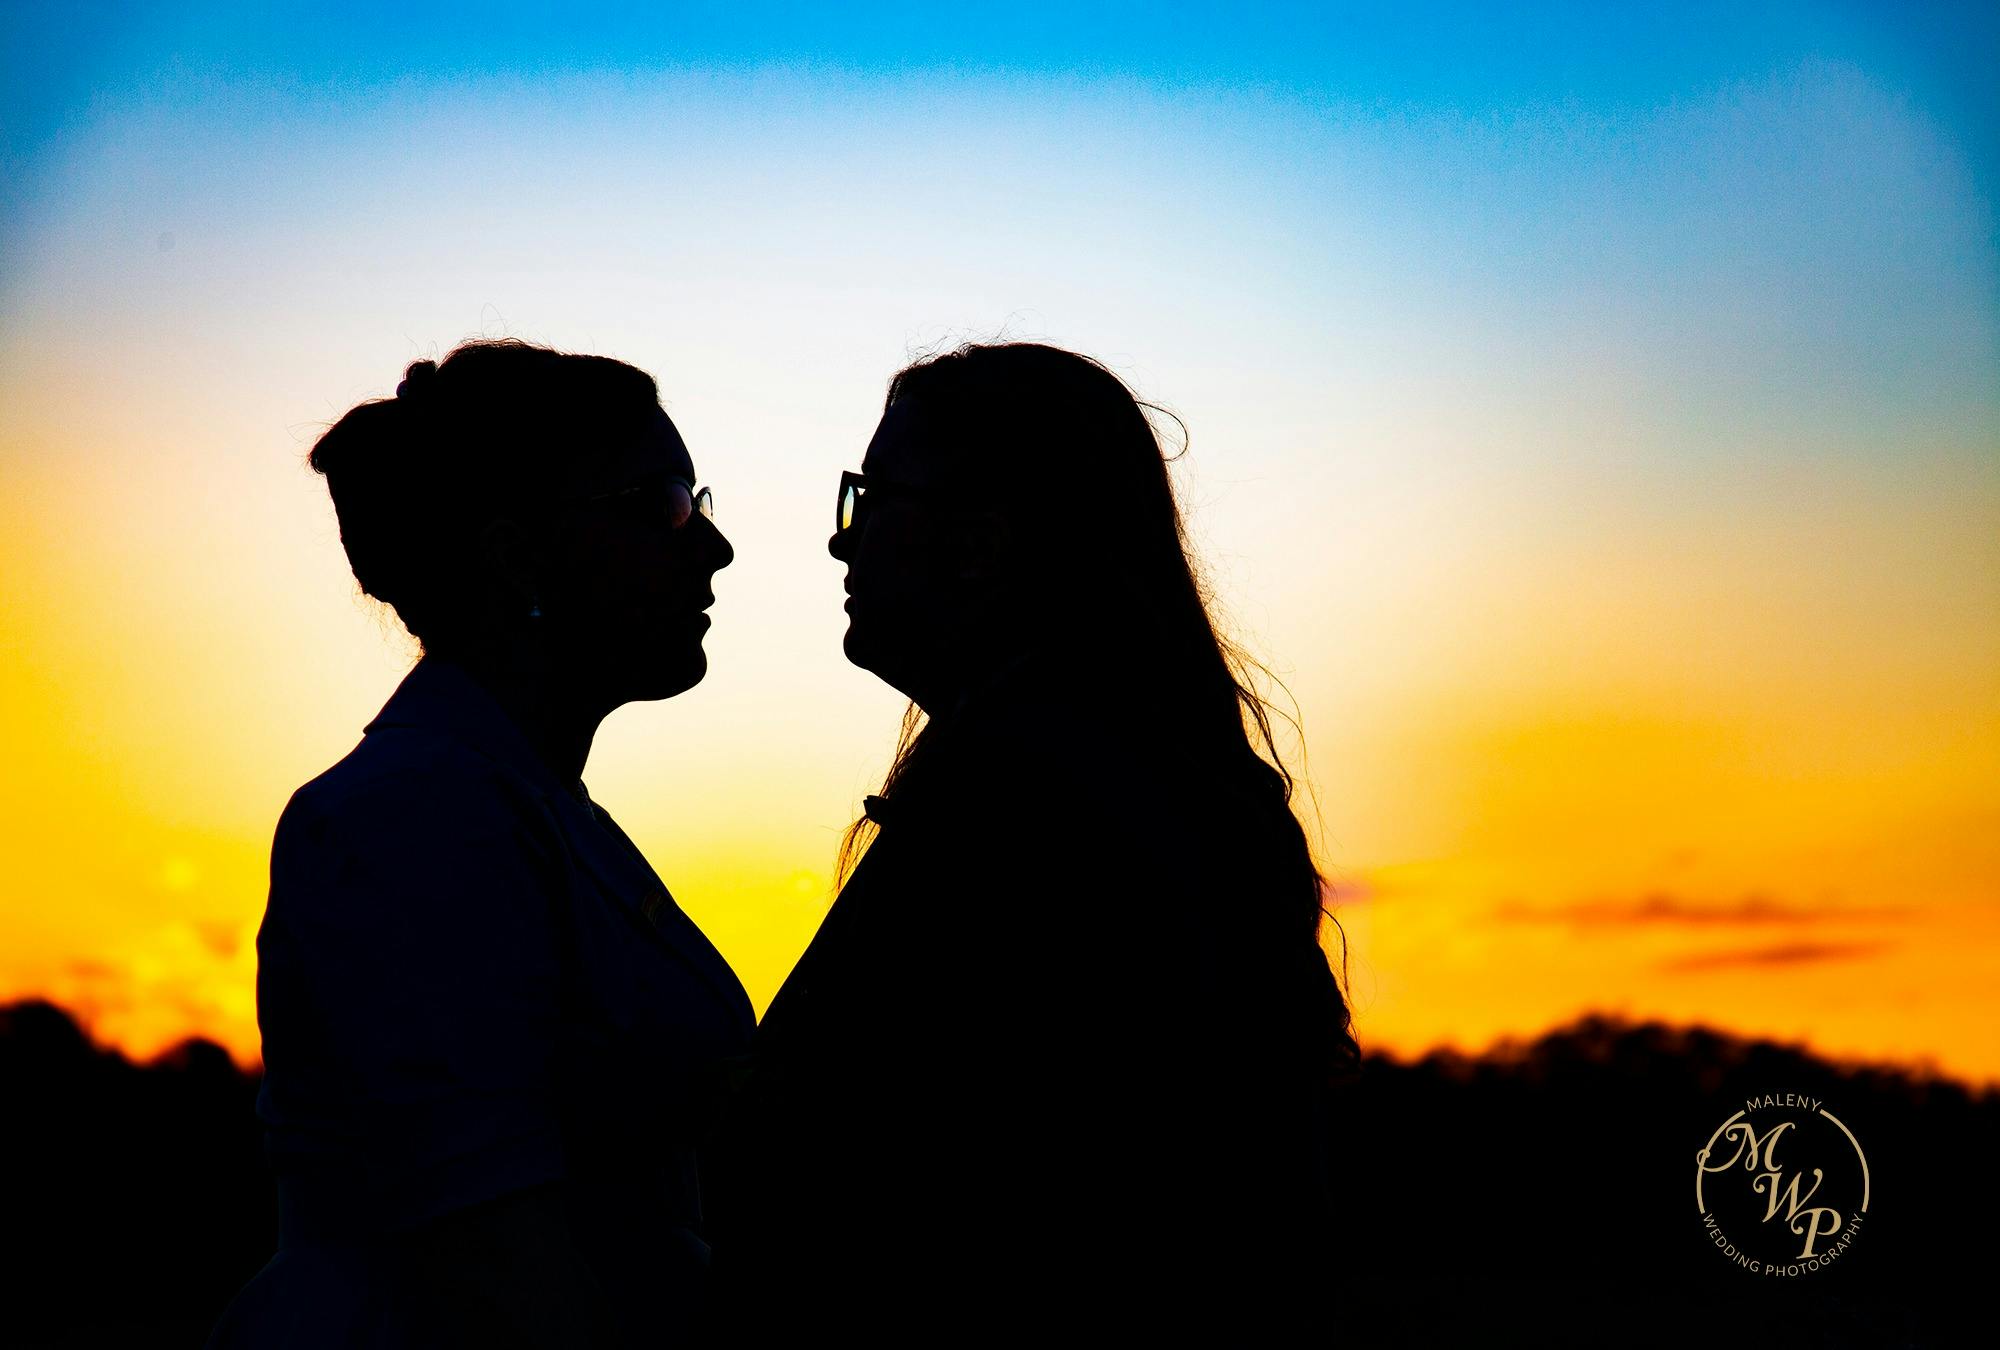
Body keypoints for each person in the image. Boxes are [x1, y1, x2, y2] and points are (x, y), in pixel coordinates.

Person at [704, 342, 1361, 1336]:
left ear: (979, 543)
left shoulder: (1020, 790)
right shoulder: (1133, 766)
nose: (844, 543)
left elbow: (822, 1148)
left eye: (871, 500)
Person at [206, 340, 753, 1348]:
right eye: (666, 502)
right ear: (515, 558)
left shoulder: (525, 807)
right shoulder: (415, 815)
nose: (711, 548)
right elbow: (498, 1271)